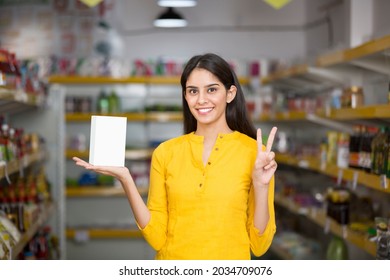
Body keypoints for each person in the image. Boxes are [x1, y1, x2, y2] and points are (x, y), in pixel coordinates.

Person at [73, 53, 278, 260]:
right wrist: (126, 179)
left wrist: (261, 186)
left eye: (212, 89)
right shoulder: (166, 152)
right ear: (185, 96)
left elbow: (259, 245)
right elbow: (156, 238)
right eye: (192, 91)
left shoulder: (256, 155)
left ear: (230, 93)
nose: (201, 100)